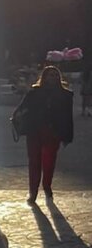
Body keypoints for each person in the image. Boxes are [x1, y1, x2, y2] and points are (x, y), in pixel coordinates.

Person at [12, 64, 74, 205]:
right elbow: (22, 107)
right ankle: (33, 192)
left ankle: (47, 186)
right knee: (34, 161)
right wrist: (17, 117)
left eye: (56, 75)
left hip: (53, 132)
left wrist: (67, 136)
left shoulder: (66, 95)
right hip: (34, 131)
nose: (53, 78)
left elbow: (68, 117)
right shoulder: (34, 92)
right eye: (50, 75)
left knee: (49, 162)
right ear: (44, 77)